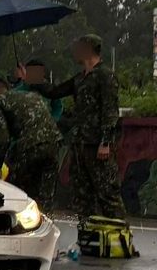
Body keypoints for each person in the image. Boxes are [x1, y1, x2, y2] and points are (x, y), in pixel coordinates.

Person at [41, 34, 126, 222]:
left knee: (107, 192)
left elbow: (110, 111)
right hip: (80, 144)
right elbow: (55, 92)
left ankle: (119, 235)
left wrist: (105, 142)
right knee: (82, 194)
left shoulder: (105, 75)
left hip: (97, 145)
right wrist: (32, 79)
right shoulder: (80, 78)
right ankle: (89, 235)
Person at [0, 77, 60, 206]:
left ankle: (17, 221)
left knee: (17, 191)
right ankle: (45, 221)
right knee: (46, 195)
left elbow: (2, 138)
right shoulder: (31, 96)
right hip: (54, 144)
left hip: (30, 146)